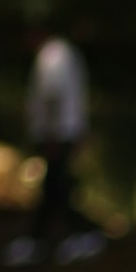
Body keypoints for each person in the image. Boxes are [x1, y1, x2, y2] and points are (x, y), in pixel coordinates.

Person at [25, 29, 90, 244]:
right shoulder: (65, 52)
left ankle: (70, 234)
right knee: (55, 185)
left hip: (58, 133)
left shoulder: (52, 55)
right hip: (64, 131)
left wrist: (51, 134)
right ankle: (44, 236)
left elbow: (52, 95)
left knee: (56, 185)